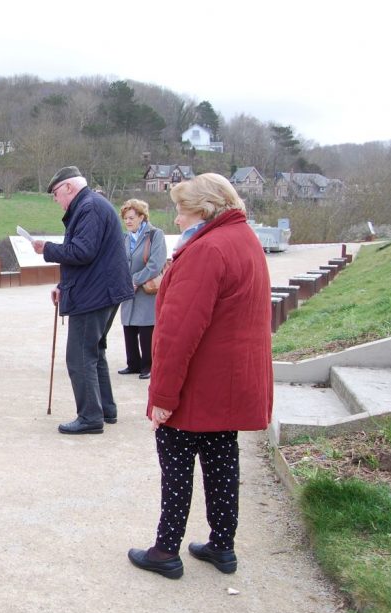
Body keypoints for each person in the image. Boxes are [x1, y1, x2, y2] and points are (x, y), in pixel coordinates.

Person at [127, 173, 273, 580]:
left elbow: (177, 332)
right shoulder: (244, 240)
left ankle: (165, 550)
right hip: (229, 382)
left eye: (181, 209)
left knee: (176, 464)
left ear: (204, 209)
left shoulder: (207, 249)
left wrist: (163, 396)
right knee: (222, 460)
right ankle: (222, 545)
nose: (176, 219)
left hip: (198, 383)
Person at [33, 166, 133, 435]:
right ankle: (105, 409)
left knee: (79, 356)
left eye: (56, 193)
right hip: (102, 290)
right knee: (94, 351)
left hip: (95, 295)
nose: (55, 199)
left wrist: (47, 249)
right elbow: (89, 258)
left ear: (68, 187)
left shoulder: (88, 207)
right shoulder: (91, 205)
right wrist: (63, 285)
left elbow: (82, 251)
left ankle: (90, 416)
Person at [117, 199, 166, 380]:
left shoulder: (155, 235)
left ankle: (148, 366)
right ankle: (133, 364)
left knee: (146, 330)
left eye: (131, 218)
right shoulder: (125, 237)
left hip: (147, 289)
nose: (128, 221)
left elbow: (156, 264)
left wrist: (135, 280)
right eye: (125, 218)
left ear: (142, 217)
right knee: (129, 328)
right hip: (128, 290)